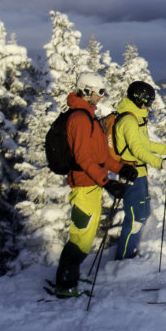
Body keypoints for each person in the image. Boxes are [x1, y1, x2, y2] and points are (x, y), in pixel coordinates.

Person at [52, 72, 136, 297]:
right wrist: (107, 182)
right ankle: (65, 285)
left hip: (92, 185)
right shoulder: (80, 119)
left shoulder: (90, 117)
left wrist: (121, 168)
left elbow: (100, 156)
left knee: (86, 235)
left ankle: (70, 277)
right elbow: (84, 159)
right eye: (100, 91)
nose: (102, 96)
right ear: (87, 91)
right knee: (81, 237)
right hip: (84, 186)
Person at [110, 80, 166, 261]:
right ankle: (124, 259)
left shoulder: (137, 118)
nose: (150, 105)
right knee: (135, 218)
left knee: (142, 214)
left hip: (140, 174)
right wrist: (160, 163)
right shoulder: (129, 120)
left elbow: (145, 144)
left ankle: (129, 254)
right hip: (130, 174)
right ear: (139, 99)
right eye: (149, 101)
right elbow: (137, 150)